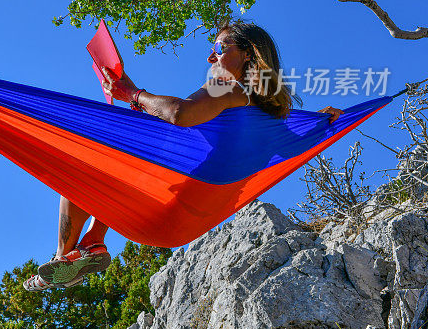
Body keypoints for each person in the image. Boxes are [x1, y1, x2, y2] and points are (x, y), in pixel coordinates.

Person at [23, 19, 345, 291]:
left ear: (249, 55)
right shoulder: (265, 118)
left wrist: (132, 94)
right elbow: (167, 133)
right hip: (188, 220)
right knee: (121, 166)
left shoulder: (228, 90)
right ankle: (93, 242)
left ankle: (61, 258)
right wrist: (322, 122)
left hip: (170, 207)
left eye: (220, 48)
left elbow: (179, 114)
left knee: (78, 169)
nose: (211, 57)